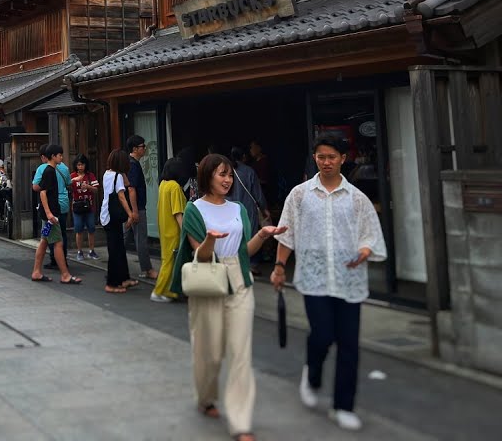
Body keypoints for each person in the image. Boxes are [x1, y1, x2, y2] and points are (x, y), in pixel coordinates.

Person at [273, 135, 387, 432]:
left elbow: (370, 236)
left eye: (331, 157)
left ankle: (343, 406)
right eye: (321, 156)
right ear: (315, 158)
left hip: (349, 280)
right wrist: (279, 266)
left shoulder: (357, 198)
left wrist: (364, 251)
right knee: (322, 335)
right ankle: (312, 374)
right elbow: (287, 234)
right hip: (315, 278)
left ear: (343, 159)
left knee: (349, 344)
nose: (325, 162)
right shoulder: (299, 195)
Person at [173, 154, 286, 441]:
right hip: (208, 280)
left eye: (230, 175)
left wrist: (261, 234)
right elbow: (201, 255)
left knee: (240, 353)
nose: (227, 180)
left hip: (240, 281)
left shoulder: (238, 209)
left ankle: (240, 422)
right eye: (222, 174)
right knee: (209, 352)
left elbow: (242, 251)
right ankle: (206, 397)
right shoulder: (194, 210)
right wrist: (210, 239)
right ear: (207, 176)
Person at [30, 144, 82, 284]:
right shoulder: (49, 171)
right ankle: (65, 275)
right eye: (59, 155)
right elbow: (43, 192)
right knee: (58, 243)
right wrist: (49, 213)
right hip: (51, 214)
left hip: (50, 213)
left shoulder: (49, 170)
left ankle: (36, 271)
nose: (61, 157)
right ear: (53, 156)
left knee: (43, 242)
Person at [151, 156, 191, 303]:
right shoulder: (174, 186)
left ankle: (168, 290)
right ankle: (158, 291)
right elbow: (178, 213)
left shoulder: (163, 184)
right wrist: (186, 232)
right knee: (169, 262)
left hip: (164, 228)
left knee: (167, 260)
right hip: (173, 231)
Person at [100, 149, 136, 293]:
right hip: (112, 216)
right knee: (115, 250)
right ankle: (112, 283)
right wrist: (130, 214)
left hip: (106, 214)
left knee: (119, 248)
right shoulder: (118, 176)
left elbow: (126, 183)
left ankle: (123, 278)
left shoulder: (107, 174)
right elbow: (121, 196)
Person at [125, 135, 155, 280]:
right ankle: (148, 269)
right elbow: (132, 188)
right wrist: (135, 211)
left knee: (124, 238)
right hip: (136, 208)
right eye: (143, 146)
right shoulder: (133, 165)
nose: (145, 149)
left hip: (130, 208)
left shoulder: (130, 163)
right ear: (135, 149)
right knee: (141, 239)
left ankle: (116, 267)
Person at [69, 155, 99, 261]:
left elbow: (96, 189)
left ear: (86, 165)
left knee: (91, 228)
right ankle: (79, 251)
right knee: (78, 229)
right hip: (77, 206)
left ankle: (91, 250)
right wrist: (73, 181)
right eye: (78, 165)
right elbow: (66, 187)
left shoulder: (90, 176)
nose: (80, 167)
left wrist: (88, 187)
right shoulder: (72, 176)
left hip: (89, 206)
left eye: (82, 164)